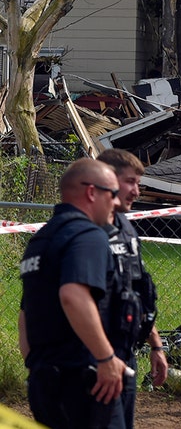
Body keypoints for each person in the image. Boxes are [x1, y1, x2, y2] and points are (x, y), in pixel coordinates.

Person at [19, 158, 129, 428]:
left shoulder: (41, 239)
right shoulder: (87, 235)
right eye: (112, 194)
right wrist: (105, 358)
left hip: (45, 383)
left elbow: (25, 314)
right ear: (92, 192)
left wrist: (36, 367)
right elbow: (73, 295)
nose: (116, 202)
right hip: (84, 381)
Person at [97, 149, 169, 428]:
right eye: (131, 182)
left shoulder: (126, 227)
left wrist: (156, 346)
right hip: (94, 360)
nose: (137, 192)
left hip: (125, 354)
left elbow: (135, 293)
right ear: (107, 180)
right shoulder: (85, 232)